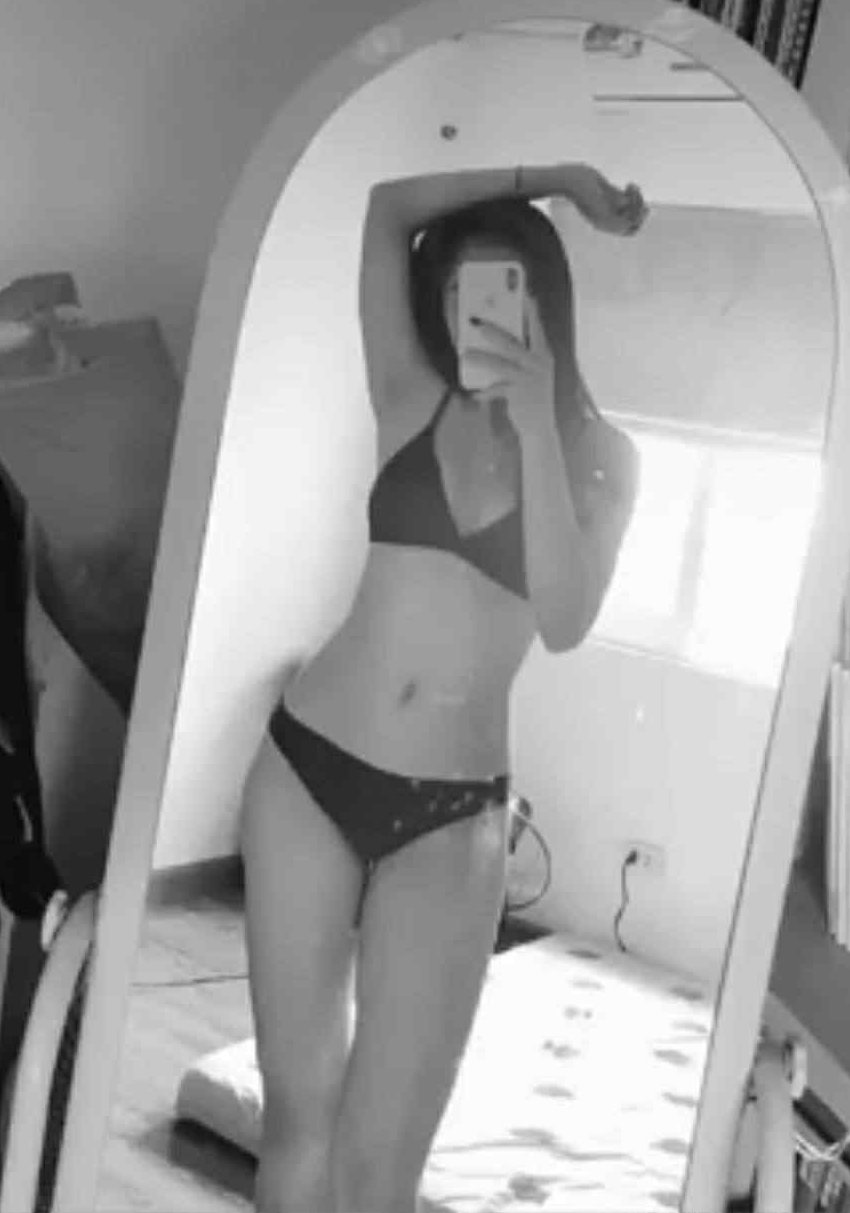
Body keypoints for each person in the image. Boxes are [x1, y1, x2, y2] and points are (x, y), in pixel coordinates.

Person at [239, 161, 646, 1213]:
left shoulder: (603, 460)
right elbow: (387, 209)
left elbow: (563, 619)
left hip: (451, 816)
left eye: (507, 293)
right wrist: (560, 176)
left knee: (380, 1165)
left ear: (546, 304)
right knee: (298, 1122)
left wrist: (538, 423)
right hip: (306, 773)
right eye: (465, 297)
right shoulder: (407, 395)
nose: (484, 320)